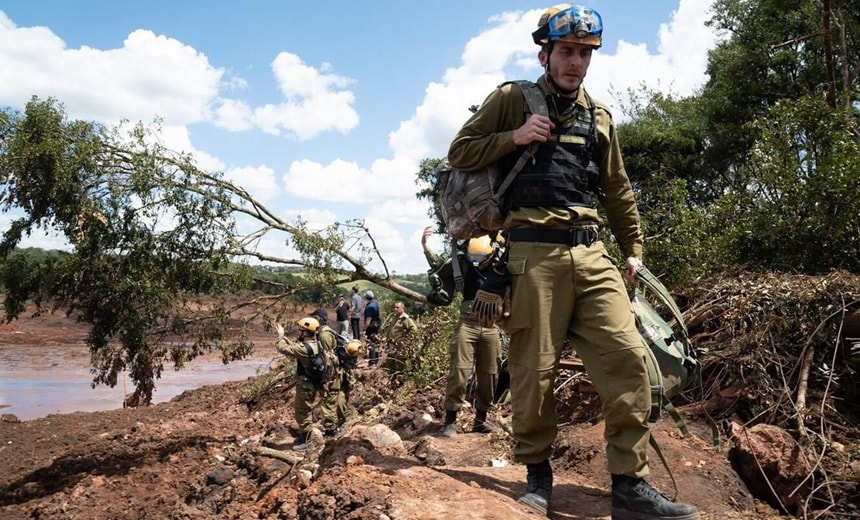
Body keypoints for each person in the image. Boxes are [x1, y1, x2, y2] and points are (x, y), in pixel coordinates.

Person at [447, 5, 700, 519]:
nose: (576, 62)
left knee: (628, 358)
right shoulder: (512, 99)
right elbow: (459, 151)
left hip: (591, 253)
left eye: (585, 53)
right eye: (567, 51)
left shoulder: (599, 115)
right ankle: (537, 476)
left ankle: (630, 487)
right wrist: (514, 137)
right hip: (531, 253)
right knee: (533, 370)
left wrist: (633, 249)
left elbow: (617, 188)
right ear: (546, 53)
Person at [421, 227, 501, 437]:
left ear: (491, 253)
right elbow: (440, 266)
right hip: (467, 322)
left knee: (490, 374)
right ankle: (450, 420)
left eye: (480, 258)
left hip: (492, 325)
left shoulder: (502, 263)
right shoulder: (463, 263)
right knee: (459, 371)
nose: (476, 262)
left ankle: (480, 420)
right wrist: (425, 247)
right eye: (472, 257)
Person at [274, 315, 339, 451]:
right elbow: (296, 347)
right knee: (307, 409)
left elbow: (282, 348)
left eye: (301, 331)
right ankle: (308, 436)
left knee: (302, 411)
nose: (299, 333)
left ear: (305, 332)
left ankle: (306, 439)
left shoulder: (304, 348)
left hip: (306, 385)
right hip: (316, 382)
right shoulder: (318, 344)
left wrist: (281, 335)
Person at [309, 308, 350, 437]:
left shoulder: (324, 334)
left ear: (318, 319)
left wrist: (325, 378)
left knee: (328, 400)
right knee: (337, 397)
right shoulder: (327, 332)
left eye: (314, 318)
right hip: (338, 371)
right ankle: (339, 424)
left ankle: (331, 429)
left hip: (332, 373)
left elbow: (328, 358)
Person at [363, 290, 381, 365]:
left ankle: (372, 361)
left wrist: (364, 329)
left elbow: (368, 319)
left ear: (366, 297)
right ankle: (376, 360)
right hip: (377, 324)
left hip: (371, 326)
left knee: (371, 343)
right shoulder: (375, 304)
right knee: (375, 342)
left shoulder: (369, 306)